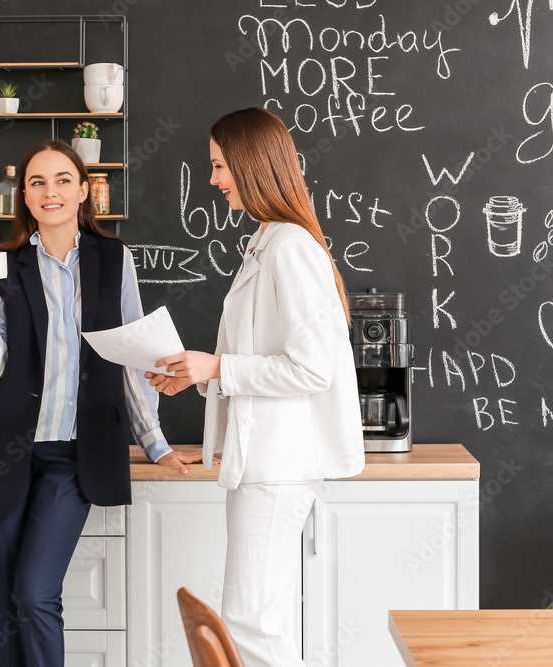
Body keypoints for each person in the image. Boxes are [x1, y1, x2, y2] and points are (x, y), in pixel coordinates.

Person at [0, 139, 206, 666]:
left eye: (63, 180)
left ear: (84, 190)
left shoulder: (112, 258)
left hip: (75, 454)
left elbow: (133, 356)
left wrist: (155, 443)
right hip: (3, 446)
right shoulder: (3, 263)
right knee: (2, 593)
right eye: (38, 182)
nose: (51, 192)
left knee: (36, 591)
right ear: (23, 195)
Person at [146, 107, 365, 667]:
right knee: (257, 620)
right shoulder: (268, 240)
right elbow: (255, 355)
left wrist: (216, 369)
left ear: (252, 165)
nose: (214, 180)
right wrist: (196, 376)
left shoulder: (290, 248)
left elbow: (312, 369)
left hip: (277, 466)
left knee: (253, 626)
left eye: (220, 166)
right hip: (262, 462)